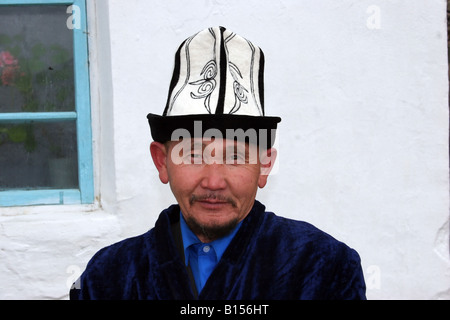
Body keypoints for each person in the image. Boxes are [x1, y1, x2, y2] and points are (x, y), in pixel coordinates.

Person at [70, 26, 366, 300]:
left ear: (265, 165)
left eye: (235, 156)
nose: (213, 181)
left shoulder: (325, 270)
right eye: (194, 155)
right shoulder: (107, 278)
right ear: (162, 162)